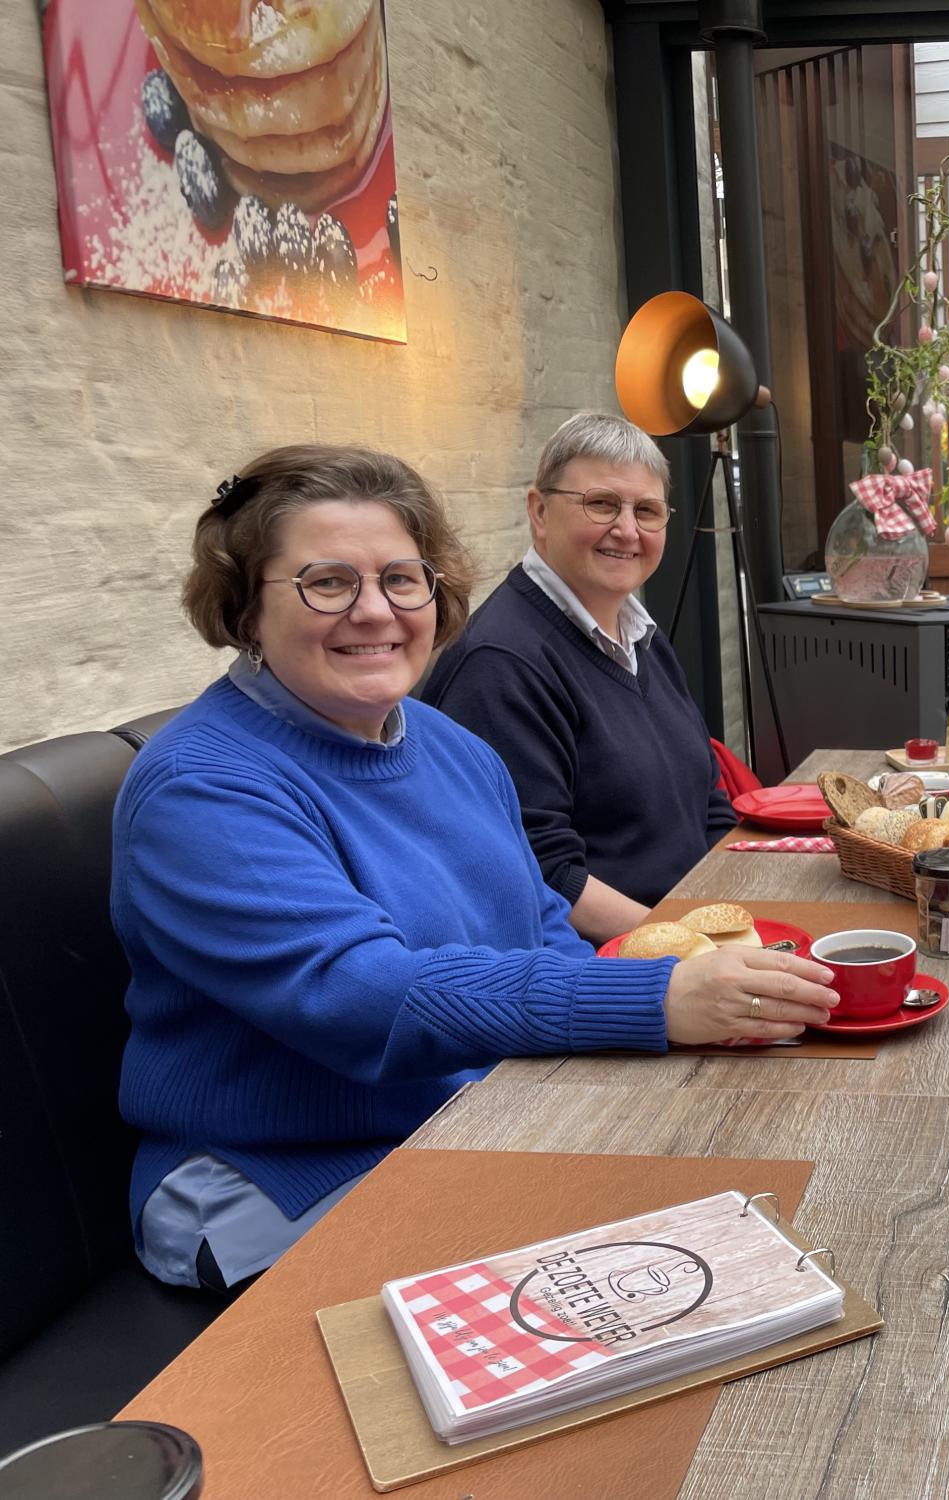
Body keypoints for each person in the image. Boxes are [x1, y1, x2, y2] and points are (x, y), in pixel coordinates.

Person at [115, 445, 836, 1292]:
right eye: (327, 583)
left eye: (402, 579)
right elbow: (363, 998)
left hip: (467, 1118)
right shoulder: (201, 789)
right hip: (282, 1181)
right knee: (677, 1279)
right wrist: (654, 999)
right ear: (244, 609)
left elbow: (538, 926)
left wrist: (641, 1044)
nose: (375, 611)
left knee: (772, 1189)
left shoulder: (450, 748)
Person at [420, 414, 737, 943]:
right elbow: (544, 874)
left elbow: (708, 803)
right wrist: (691, 948)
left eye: (647, 511)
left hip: (692, 930)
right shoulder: (501, 663)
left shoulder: (641, 634)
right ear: (539, 512)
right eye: (602, 504)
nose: (627, 530)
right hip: (613, 972)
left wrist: (736, 912)